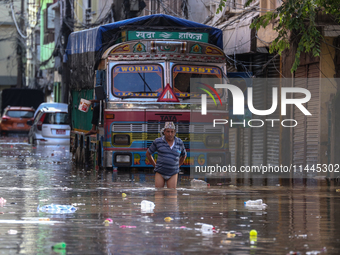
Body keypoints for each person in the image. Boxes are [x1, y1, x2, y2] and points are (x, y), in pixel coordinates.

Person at [146, 122, 186, 189]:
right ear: (164, 131)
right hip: (160, 172)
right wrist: (155, 166)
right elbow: (148, 153)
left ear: (175, 132)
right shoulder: (158, 141)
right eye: (168, 131)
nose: (170, 134)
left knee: (172, 195)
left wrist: (177, 166)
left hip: (173, 173)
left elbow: (184, 155)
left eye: (172, 132)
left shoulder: (179, 142)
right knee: (158, 194)